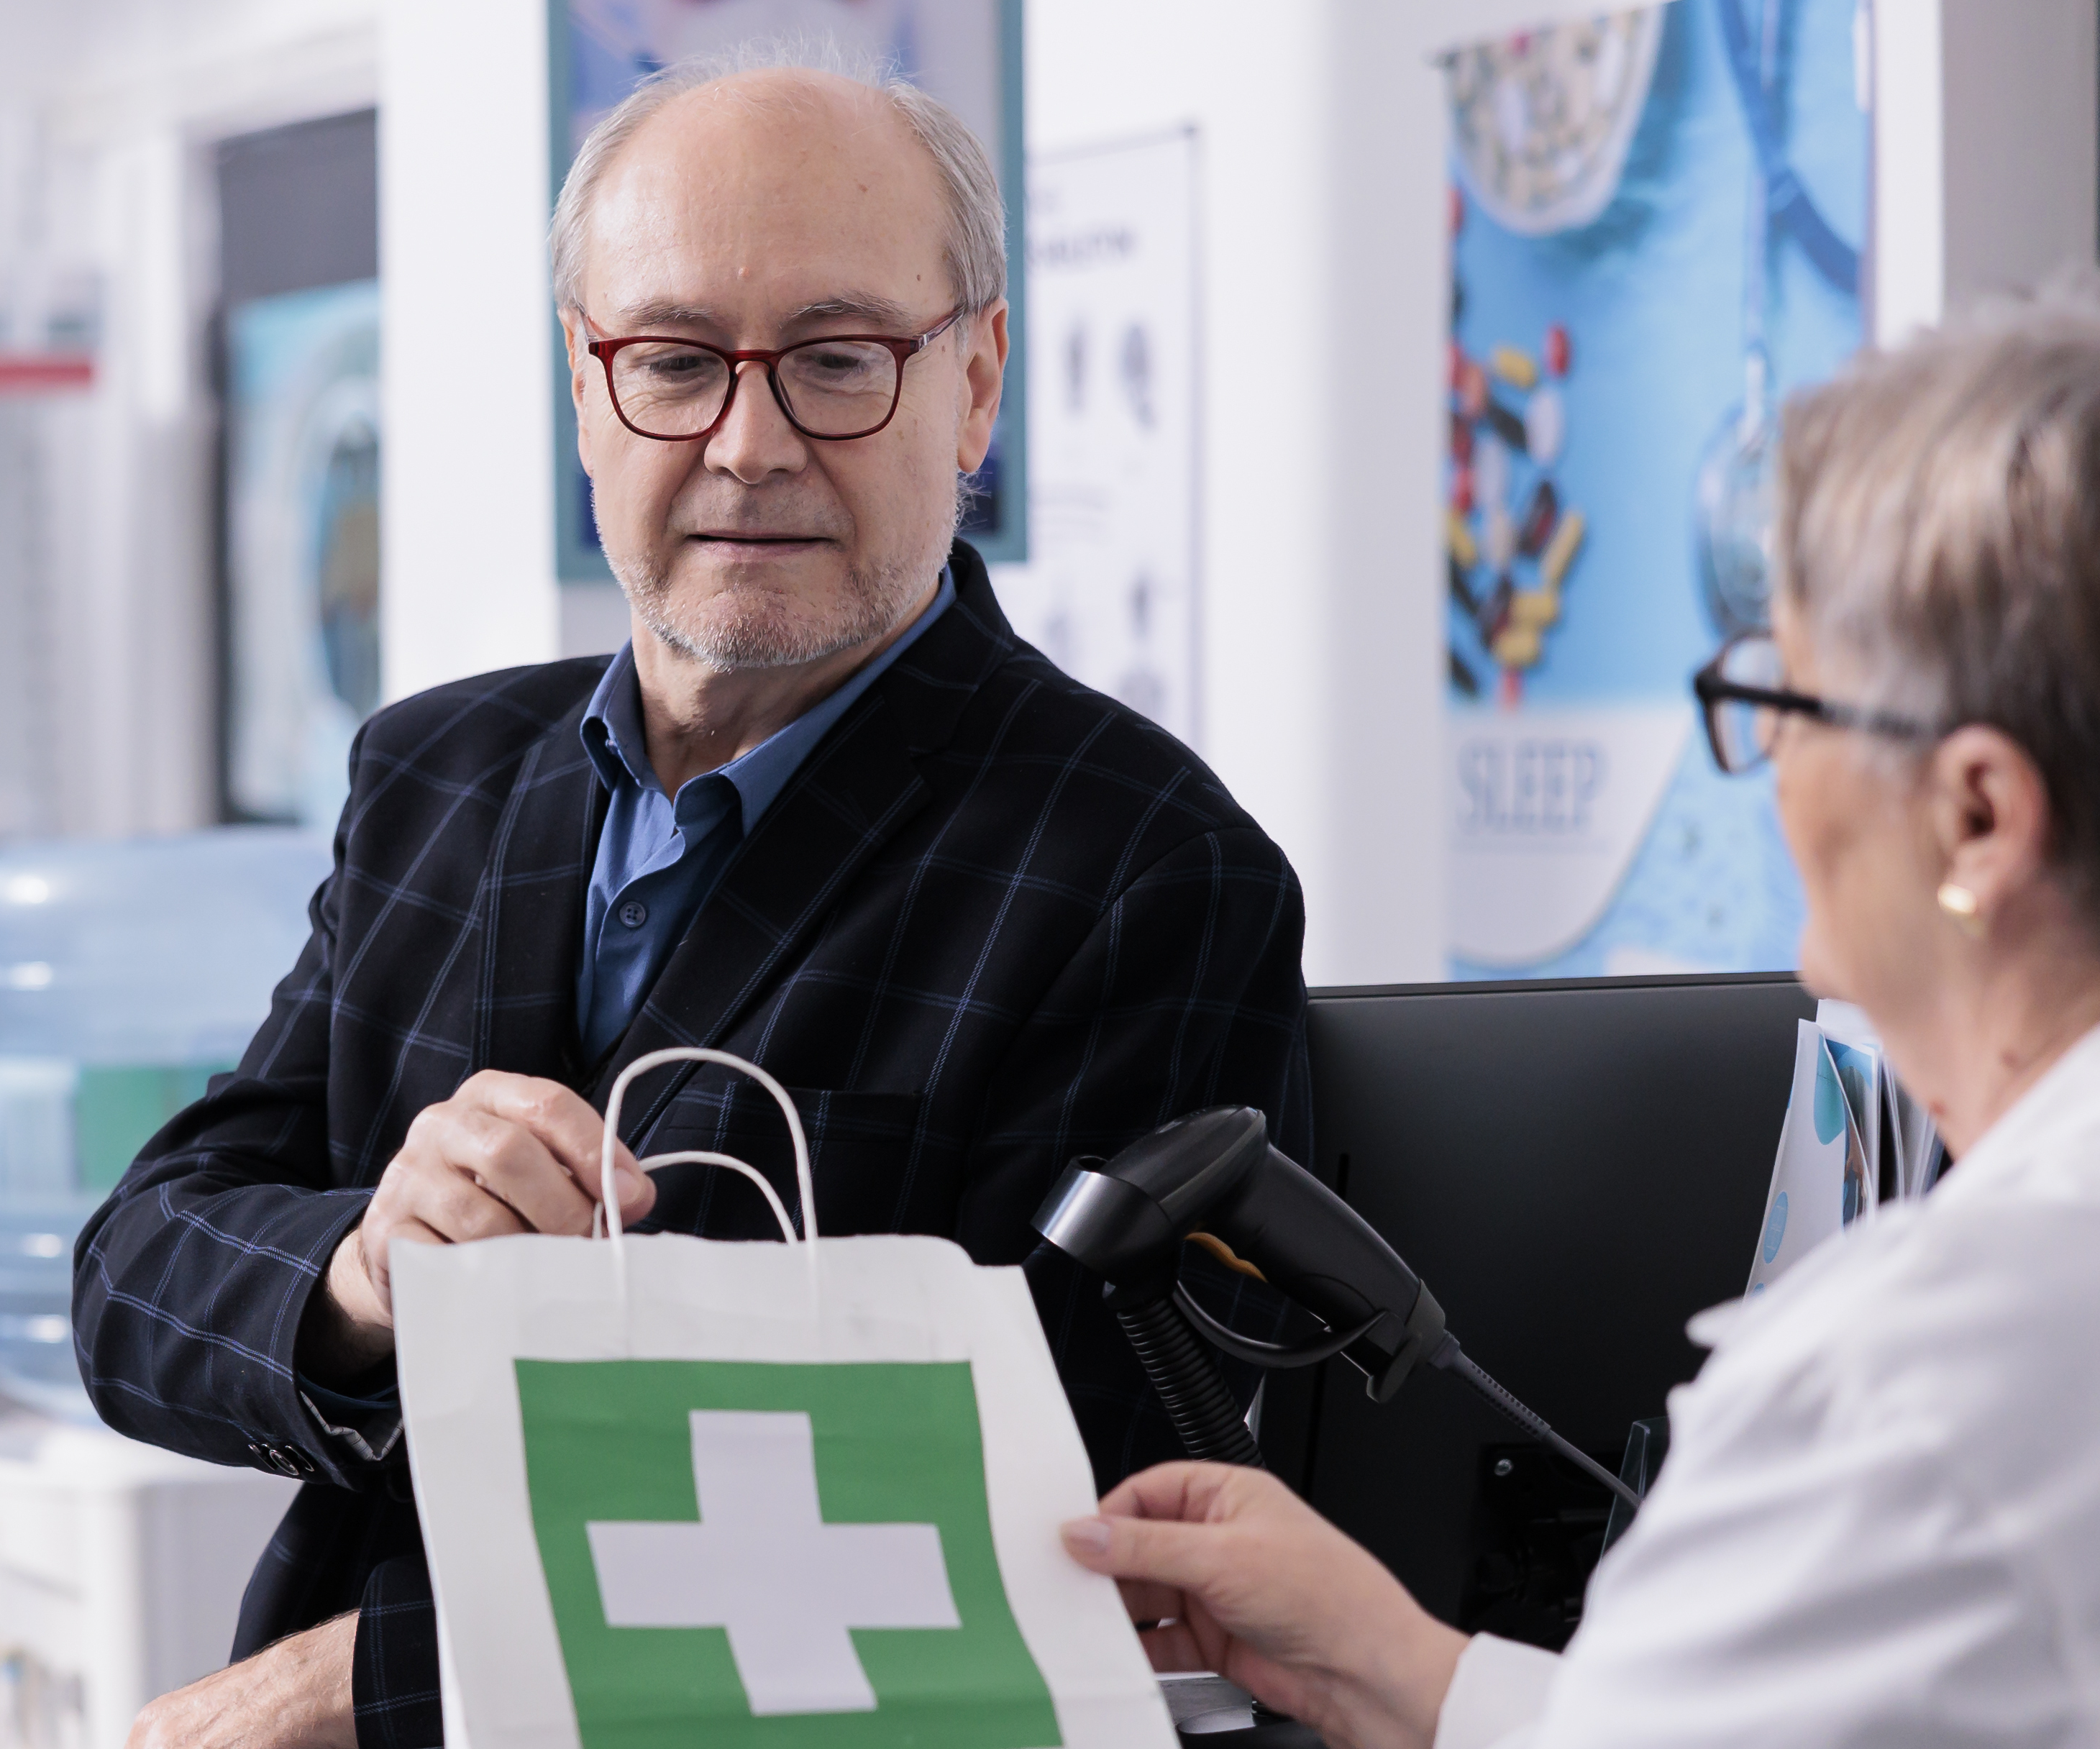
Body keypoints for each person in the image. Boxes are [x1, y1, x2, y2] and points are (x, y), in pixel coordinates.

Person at [83, 43, 1312, 1749]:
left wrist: (363, 1687)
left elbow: (1088, 1537)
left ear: (975, 386)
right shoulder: (433, 781)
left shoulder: (1140, 868)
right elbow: (137, 1273)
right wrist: (366, 1270)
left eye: (836, 359)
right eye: (672, 360)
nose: (748, 444)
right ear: (587, 393)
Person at [1062, 288, 2100, 1748]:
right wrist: (1406, 1666)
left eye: (1788, 703)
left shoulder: (1918, 1382)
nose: (1772, 774)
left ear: (1977, 814)